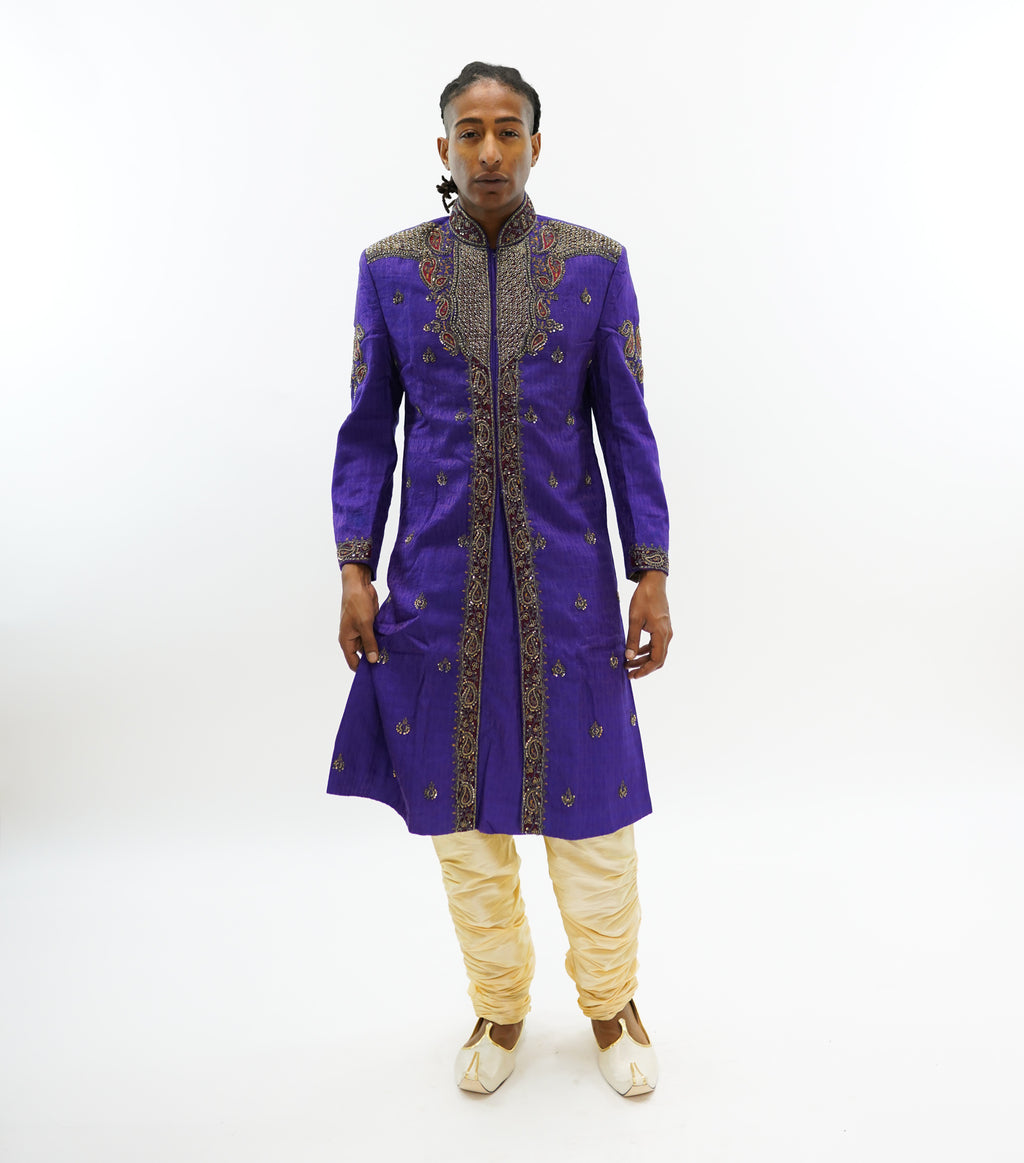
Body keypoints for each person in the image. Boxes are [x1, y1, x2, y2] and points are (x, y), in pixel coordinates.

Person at [328, 61, 672, 1097]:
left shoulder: (593, 266)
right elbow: (367, 433)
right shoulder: (391, 270)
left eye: (507, 130)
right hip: (436, 592)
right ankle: (498, 1000)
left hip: (569, 588)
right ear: (443, 147)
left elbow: (627, 432)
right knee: (460, 824)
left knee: (593, 814)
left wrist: (650, 571)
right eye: (469, 132)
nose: (488, 150)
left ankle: (611, 1001)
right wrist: (354, 566)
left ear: (534, 145)